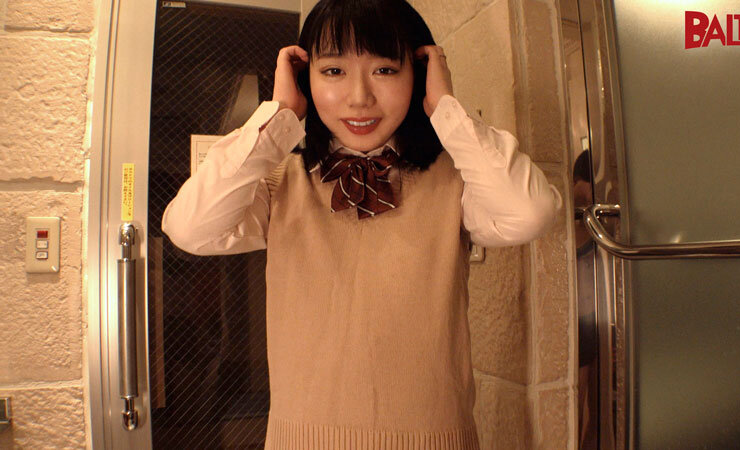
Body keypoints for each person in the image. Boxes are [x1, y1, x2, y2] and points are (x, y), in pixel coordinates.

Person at [162, 0, 563, 447]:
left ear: (417, 74)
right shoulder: (278, 184)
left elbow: (530, 212)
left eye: (385, 70)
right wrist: (279, 115)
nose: (359, 97)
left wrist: (445, 109)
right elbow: (189, 228)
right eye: (333, 71)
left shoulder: (456, 181)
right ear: (306, 78)